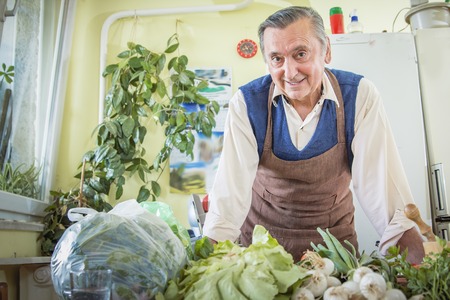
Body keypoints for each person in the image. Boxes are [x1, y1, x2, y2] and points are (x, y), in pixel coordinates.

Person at [202, 6, 425, 264]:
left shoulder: (359, 95)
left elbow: (381, 186)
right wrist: (208, 265)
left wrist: (416, 262)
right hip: (263, 254)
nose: (290, 71)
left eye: (301, 54)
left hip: (335, 255)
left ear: (326, 51)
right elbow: (230, 192)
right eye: (277, 59)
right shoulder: (246, 104)